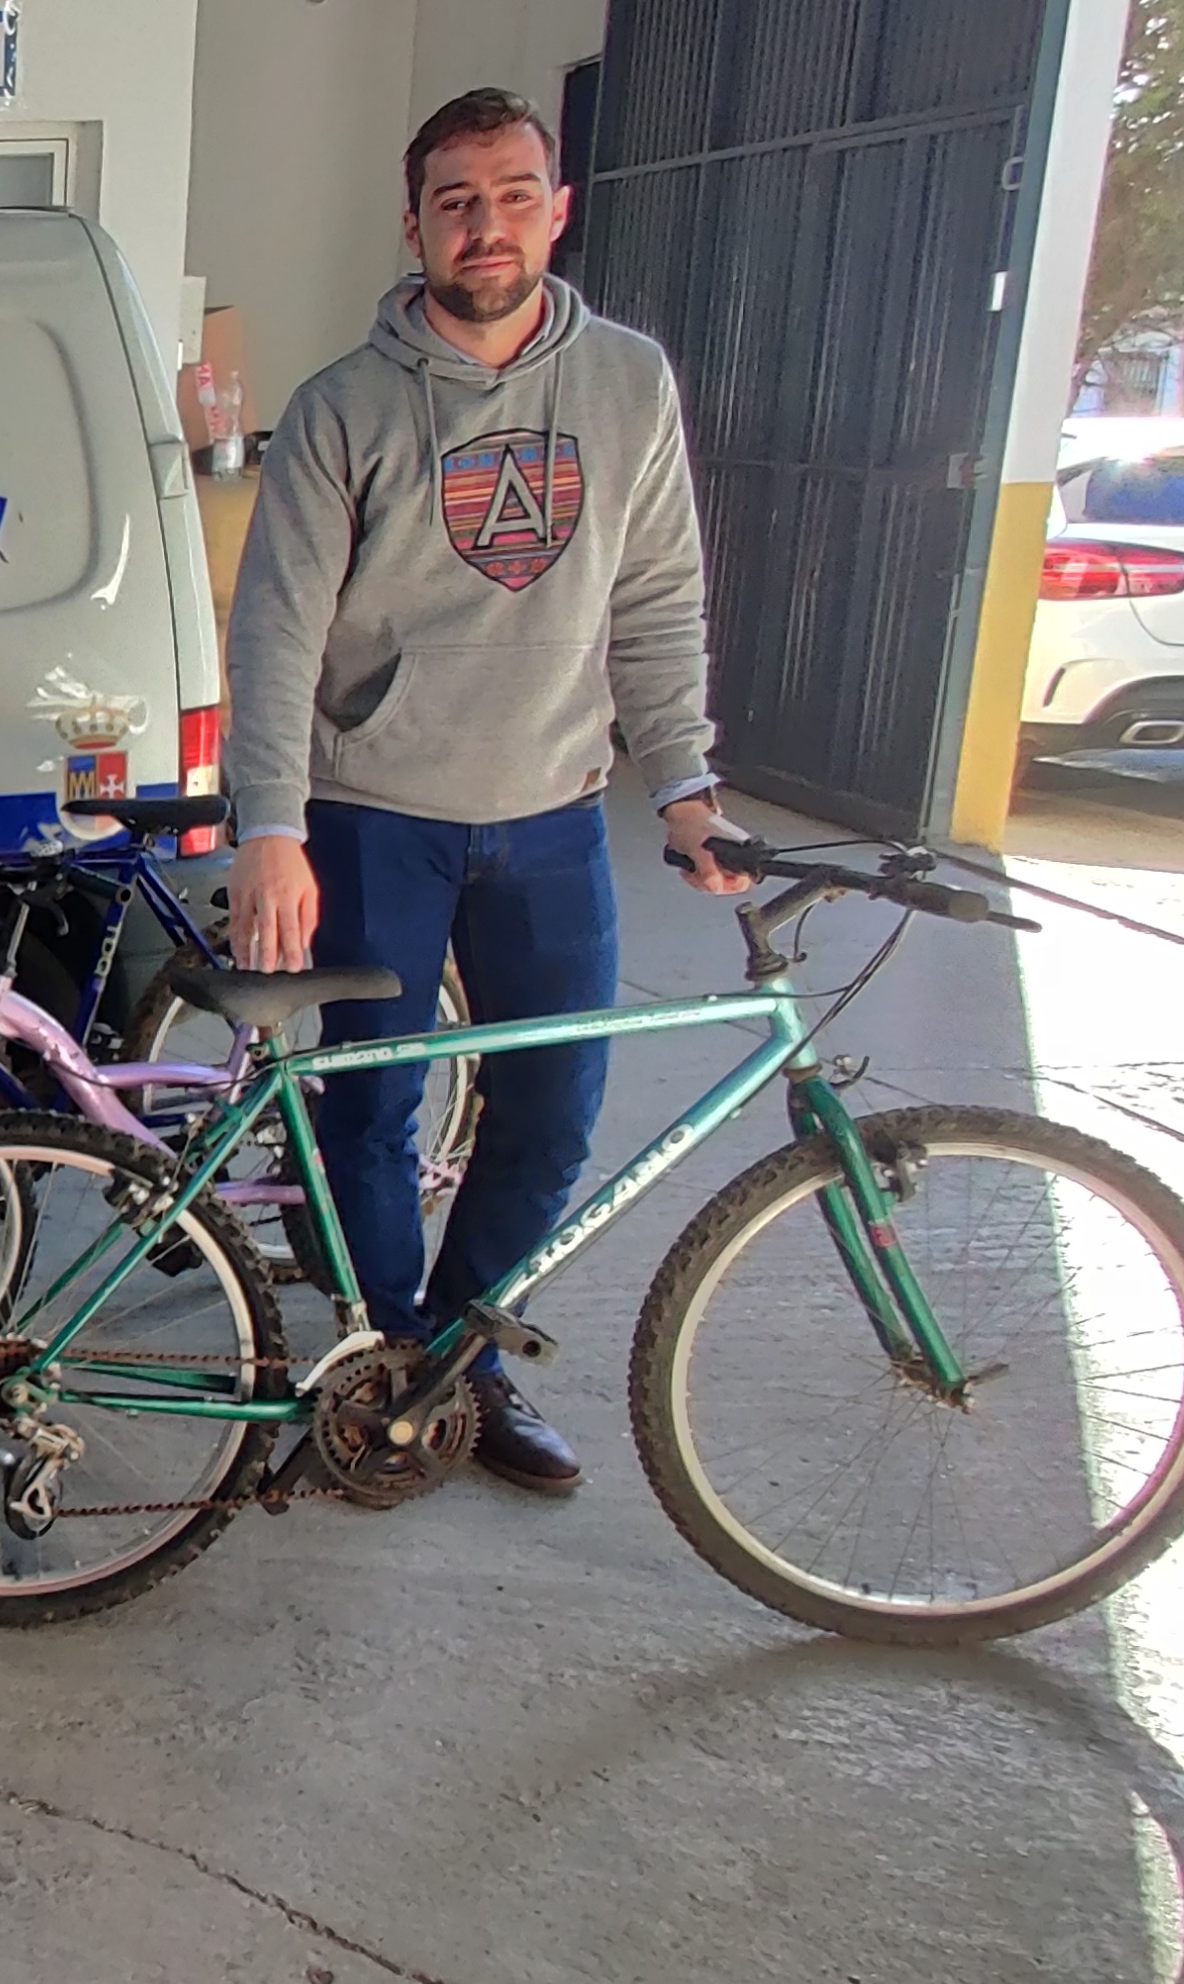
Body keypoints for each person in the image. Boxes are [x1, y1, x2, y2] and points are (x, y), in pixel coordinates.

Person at [220, 88, 754, 1492]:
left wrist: (683, 782)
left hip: (551, 811)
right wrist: (269, 825)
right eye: (455, 202)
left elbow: (656, 595)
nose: (486, 227)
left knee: (551, 1110)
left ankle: (459, 1362)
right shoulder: (343, 407)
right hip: (372, 812)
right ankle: (385, 1371)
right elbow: (275, 629)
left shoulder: (626, 384)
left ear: (556, 210)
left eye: (513, 196)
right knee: (364, 1112)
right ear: (413, 227)